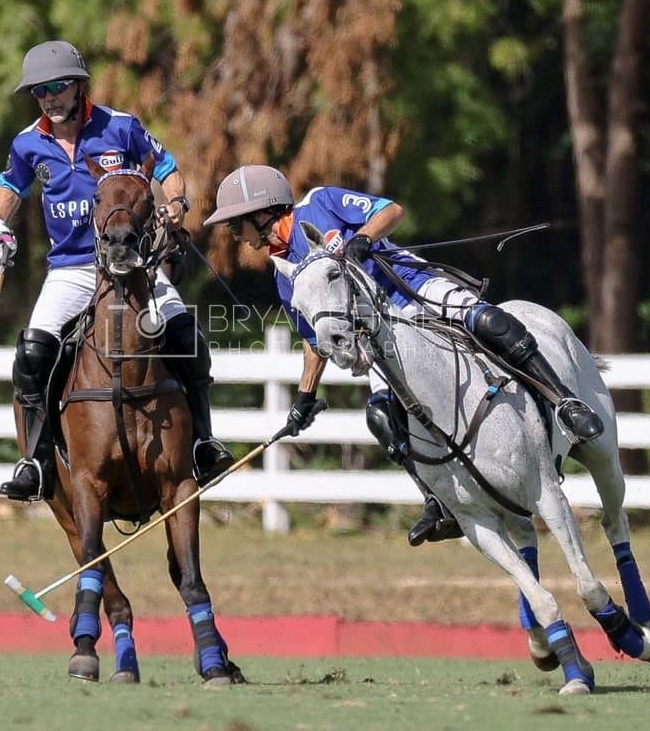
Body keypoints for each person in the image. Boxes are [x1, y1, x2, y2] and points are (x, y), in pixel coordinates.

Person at [204, 165, 604, 546]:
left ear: (261, 212)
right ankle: (439, 500)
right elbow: (313, 341)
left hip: (411, 289)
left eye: (234, 223)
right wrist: (303, 400)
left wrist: (362, 239)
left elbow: (391, 210)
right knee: (381, 417)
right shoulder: (284, 274)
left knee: (491, 323)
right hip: (383, 335)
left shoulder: (320, 203)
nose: (233, 233)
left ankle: (566, 403)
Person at [0, 39, 233, 501]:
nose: (50, 98)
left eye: (58, 87)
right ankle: (36, 462)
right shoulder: (27, 143)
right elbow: (9, 187)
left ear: (79, 86)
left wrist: (177, 201)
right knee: (32, 353)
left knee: (186, 335)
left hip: (133, 263)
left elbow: (167, 166)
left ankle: (202, 442)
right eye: (40, 91)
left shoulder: (121, 127)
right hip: (72, 268)